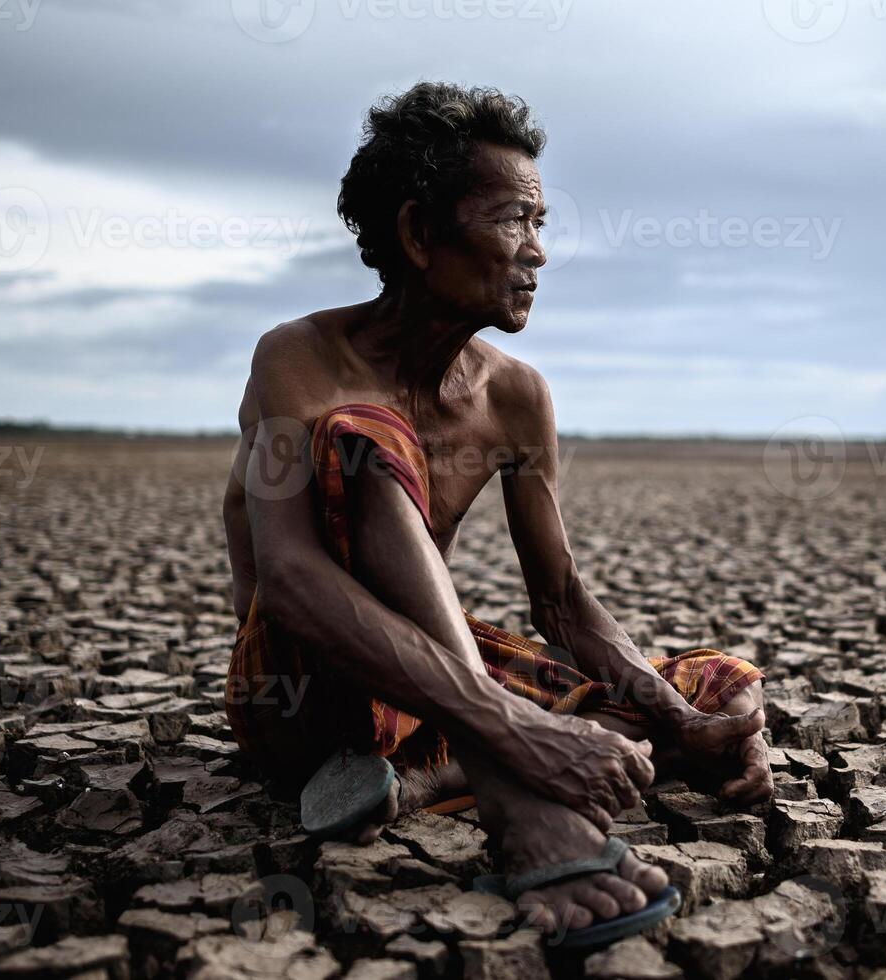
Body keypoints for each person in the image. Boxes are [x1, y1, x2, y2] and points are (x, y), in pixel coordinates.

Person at [222, 82, 772, 940]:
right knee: (367, 434)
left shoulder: (515, 396)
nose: (538, 252)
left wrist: (679, 720)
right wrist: (514, 731)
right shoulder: (300, 358)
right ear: (416, 233)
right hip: (303, 687)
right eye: (514, 220)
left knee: (711, 689)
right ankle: (514, 802)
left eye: (541, 224)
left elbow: (559, 605)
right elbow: (289, 581)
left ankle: (422, 780)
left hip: (428, 684)